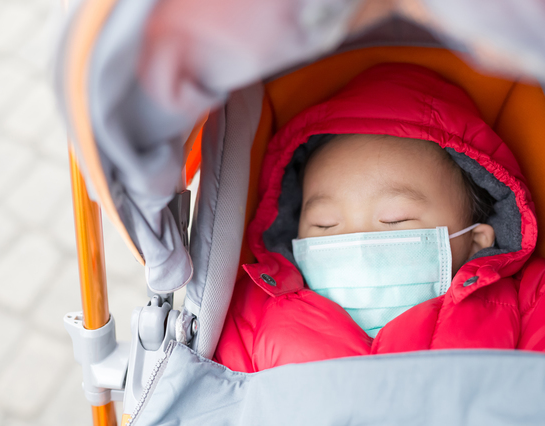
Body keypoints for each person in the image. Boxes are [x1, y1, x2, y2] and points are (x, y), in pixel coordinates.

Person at [214, 63, 545, 373]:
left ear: (475, 240)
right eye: (324, 224)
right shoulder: (252, 314)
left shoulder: (526, 302)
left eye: (395, 220)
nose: (357, 242)